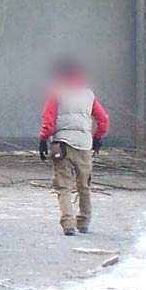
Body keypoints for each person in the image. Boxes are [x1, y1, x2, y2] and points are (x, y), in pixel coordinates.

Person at [38, 58, 109, 236]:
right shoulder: (88, 94)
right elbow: (104, 120)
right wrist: (97, 137)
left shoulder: (56, 92)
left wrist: (43, 140)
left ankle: (68, 223)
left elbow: (49, 121)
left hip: (62, 145)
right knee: (84, 185)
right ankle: (84, 221)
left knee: (63, 186)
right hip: (85, 146)